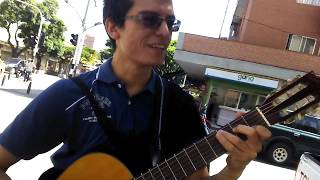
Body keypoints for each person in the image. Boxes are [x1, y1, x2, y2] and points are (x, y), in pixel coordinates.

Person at [0, 0, 272, 179]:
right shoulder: (70, 96)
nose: (165, 32)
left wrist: (235, 168)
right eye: (150, 20)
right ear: (113, 27)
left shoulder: (180, 107)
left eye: (170, 22)